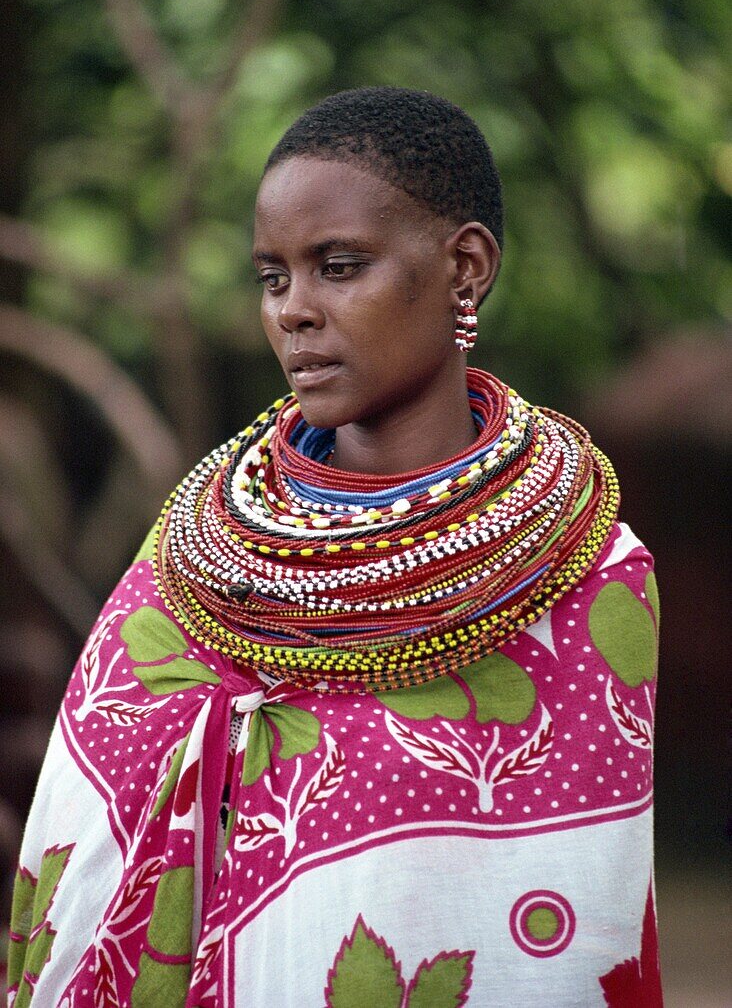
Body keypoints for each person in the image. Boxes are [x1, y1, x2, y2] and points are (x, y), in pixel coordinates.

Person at [8, 88, 662, 1007]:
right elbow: (81, 849)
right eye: (273, 277)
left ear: (464, 267)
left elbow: (573, 922)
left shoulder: (586, 575)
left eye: (339, 266)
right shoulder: (195, 561)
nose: (293, 312)